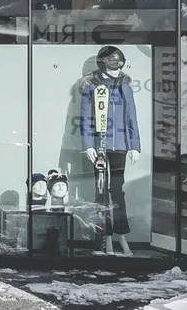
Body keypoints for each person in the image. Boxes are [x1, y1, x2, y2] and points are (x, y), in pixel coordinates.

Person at [79, 46, 141, 255]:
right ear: (103, 63)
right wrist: (88, 144)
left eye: (120, 64)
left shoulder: (125, 86)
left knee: (117, 192)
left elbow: (132, 117)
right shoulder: (92, 87)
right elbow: (86, 118)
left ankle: (122, 237)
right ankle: (104, 238)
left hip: (120, 147)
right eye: (114, 63)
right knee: (101, 193)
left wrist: (134, 146)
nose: (117, 68)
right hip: (100, 147)